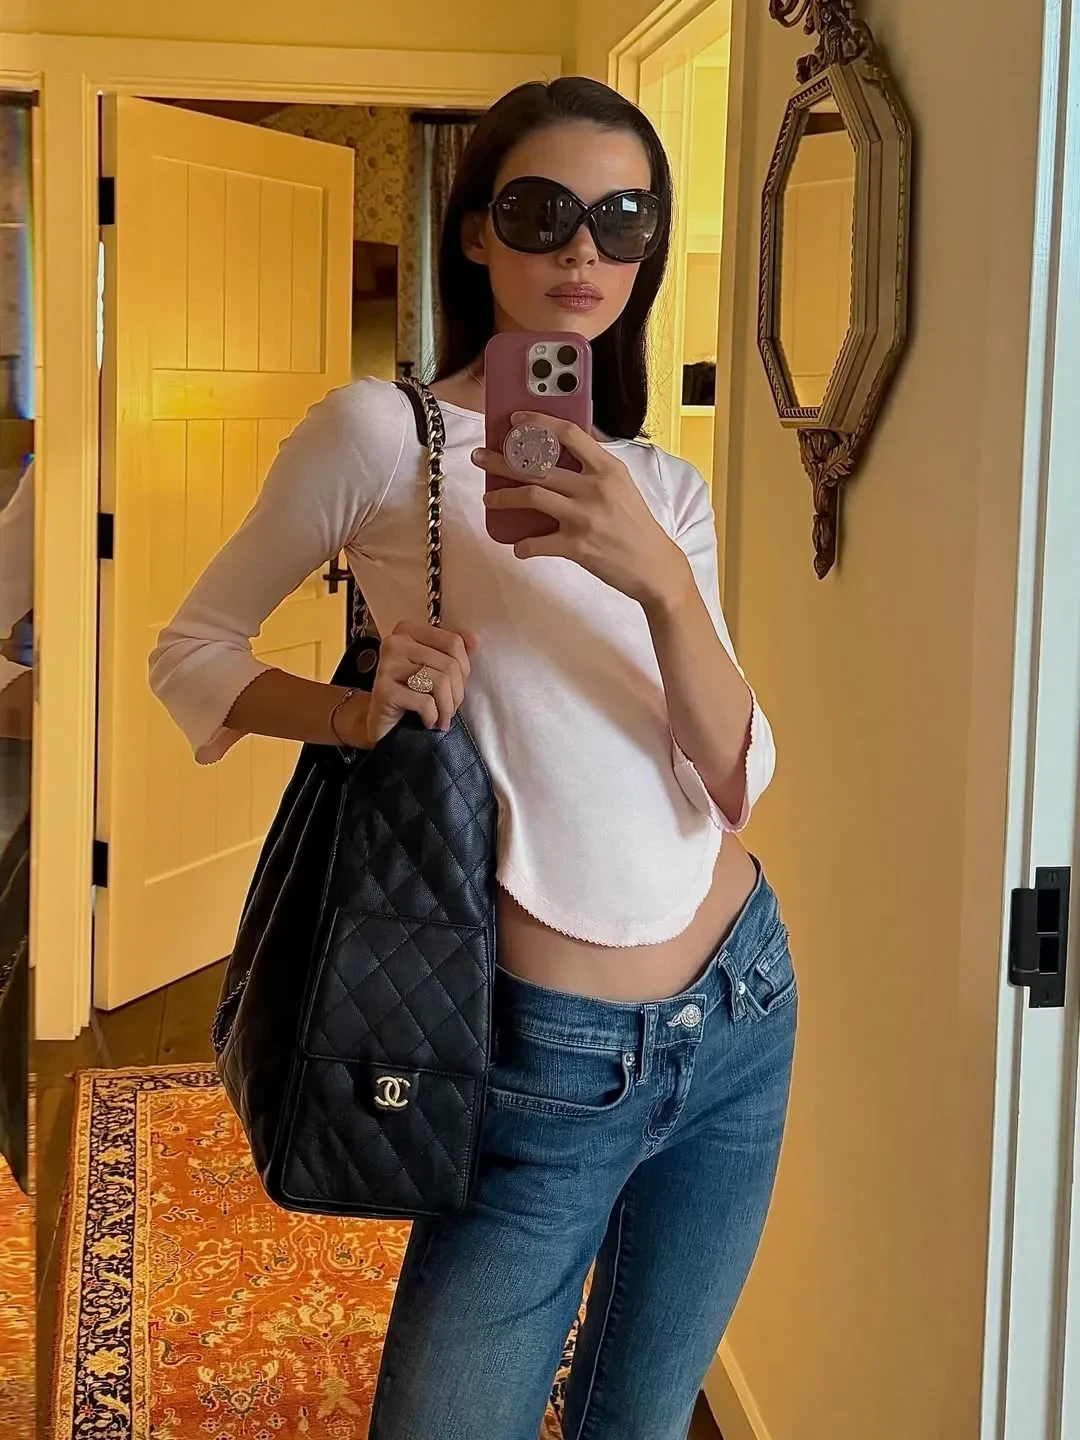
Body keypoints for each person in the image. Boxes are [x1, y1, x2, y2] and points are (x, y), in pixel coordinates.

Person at [149, 76, 797, 1440]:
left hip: (741, 1009)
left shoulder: (662, 487)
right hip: (539, 1053)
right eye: (543, 212)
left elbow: (734, 777)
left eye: (623, 219)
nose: (584, 251)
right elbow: (191, 652)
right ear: (476, 233)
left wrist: (661, 579)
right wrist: (355, 709)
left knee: (642, 1420)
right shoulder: (382, 436)